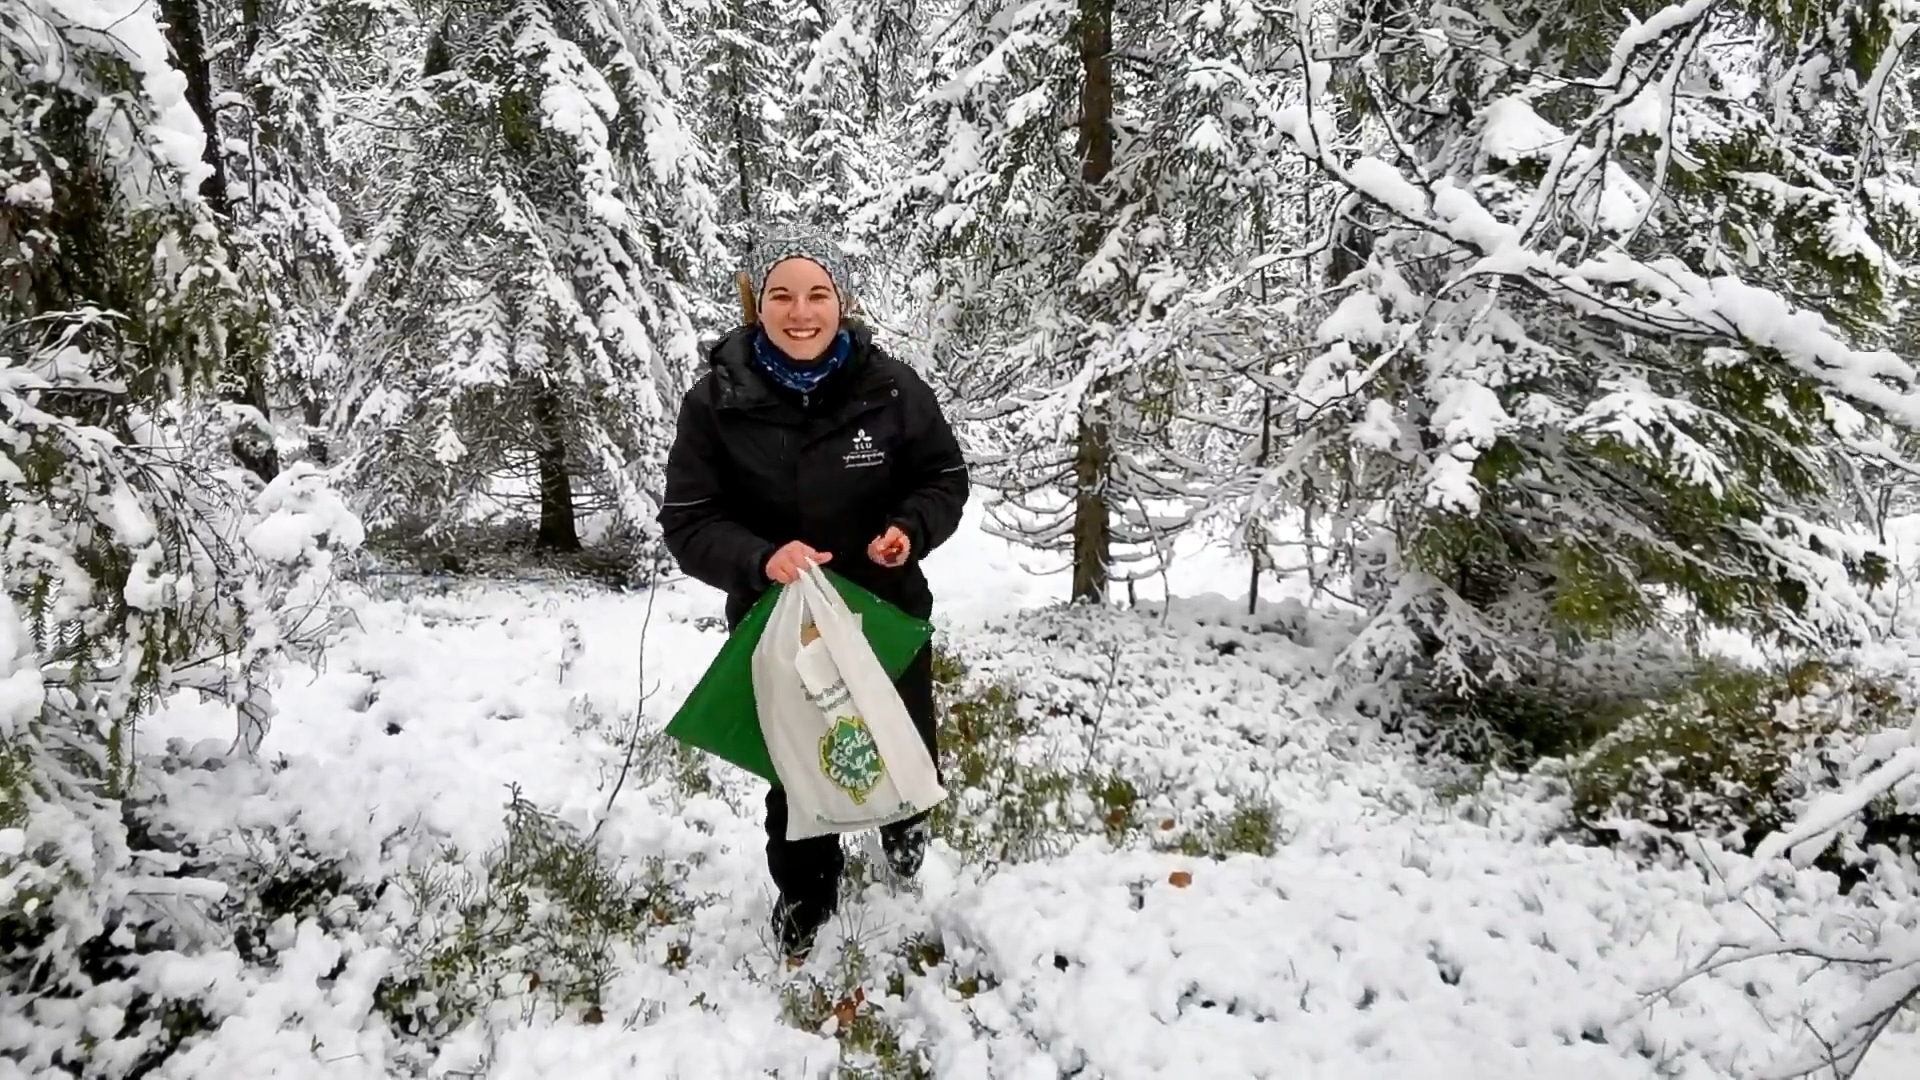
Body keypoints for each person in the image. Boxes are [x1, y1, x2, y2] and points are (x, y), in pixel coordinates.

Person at [657, 224, 969, 957]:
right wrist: (762, 557)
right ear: (755, 303)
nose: (802, 312)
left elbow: (943, 479)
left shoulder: (892, 388)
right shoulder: (716, 403)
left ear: (843, 300)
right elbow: (690, 520)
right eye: (782, 295)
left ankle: (905, 841)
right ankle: (805, 898)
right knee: (796, 768)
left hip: (883, 613)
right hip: (778, 626)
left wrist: (908, 530)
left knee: (903, 742)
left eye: (818, 293)